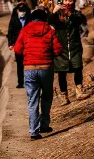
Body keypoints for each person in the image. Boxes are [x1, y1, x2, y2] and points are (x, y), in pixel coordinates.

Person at [14, 8, 63, 140]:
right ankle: (44, 125)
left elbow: (17, 49)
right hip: (46, 68)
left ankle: (34, 132)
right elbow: (58, 50)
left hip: (29, 68)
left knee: (32, 100)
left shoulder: (25, 30)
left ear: (32, 19)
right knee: (46, 96)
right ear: (45, 19)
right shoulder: (50, 30)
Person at [49, 0, 88, 103]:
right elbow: (49, 21)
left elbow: (80, 20)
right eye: (66, 0)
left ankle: (79, 91)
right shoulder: (57, 15)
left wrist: (69, 13)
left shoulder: (76, 14)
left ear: (74, 2)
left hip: (75, 47)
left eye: (70, 0)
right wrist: (54, 11)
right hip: (61, 49)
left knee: (78, 68)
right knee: (62, 72)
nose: (68, 3)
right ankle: (64, 95)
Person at [7, 0, 32, 88]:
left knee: (28, 64)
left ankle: (29, 81)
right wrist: (10, 43)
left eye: (23, 10)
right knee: (19, 64)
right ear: (17, 11)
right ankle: (20, 82)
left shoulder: (29, 19)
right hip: (18, 44)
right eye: (20, 10)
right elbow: (10, 32)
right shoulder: (14, 20)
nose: (22, 12)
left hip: (28, 44)